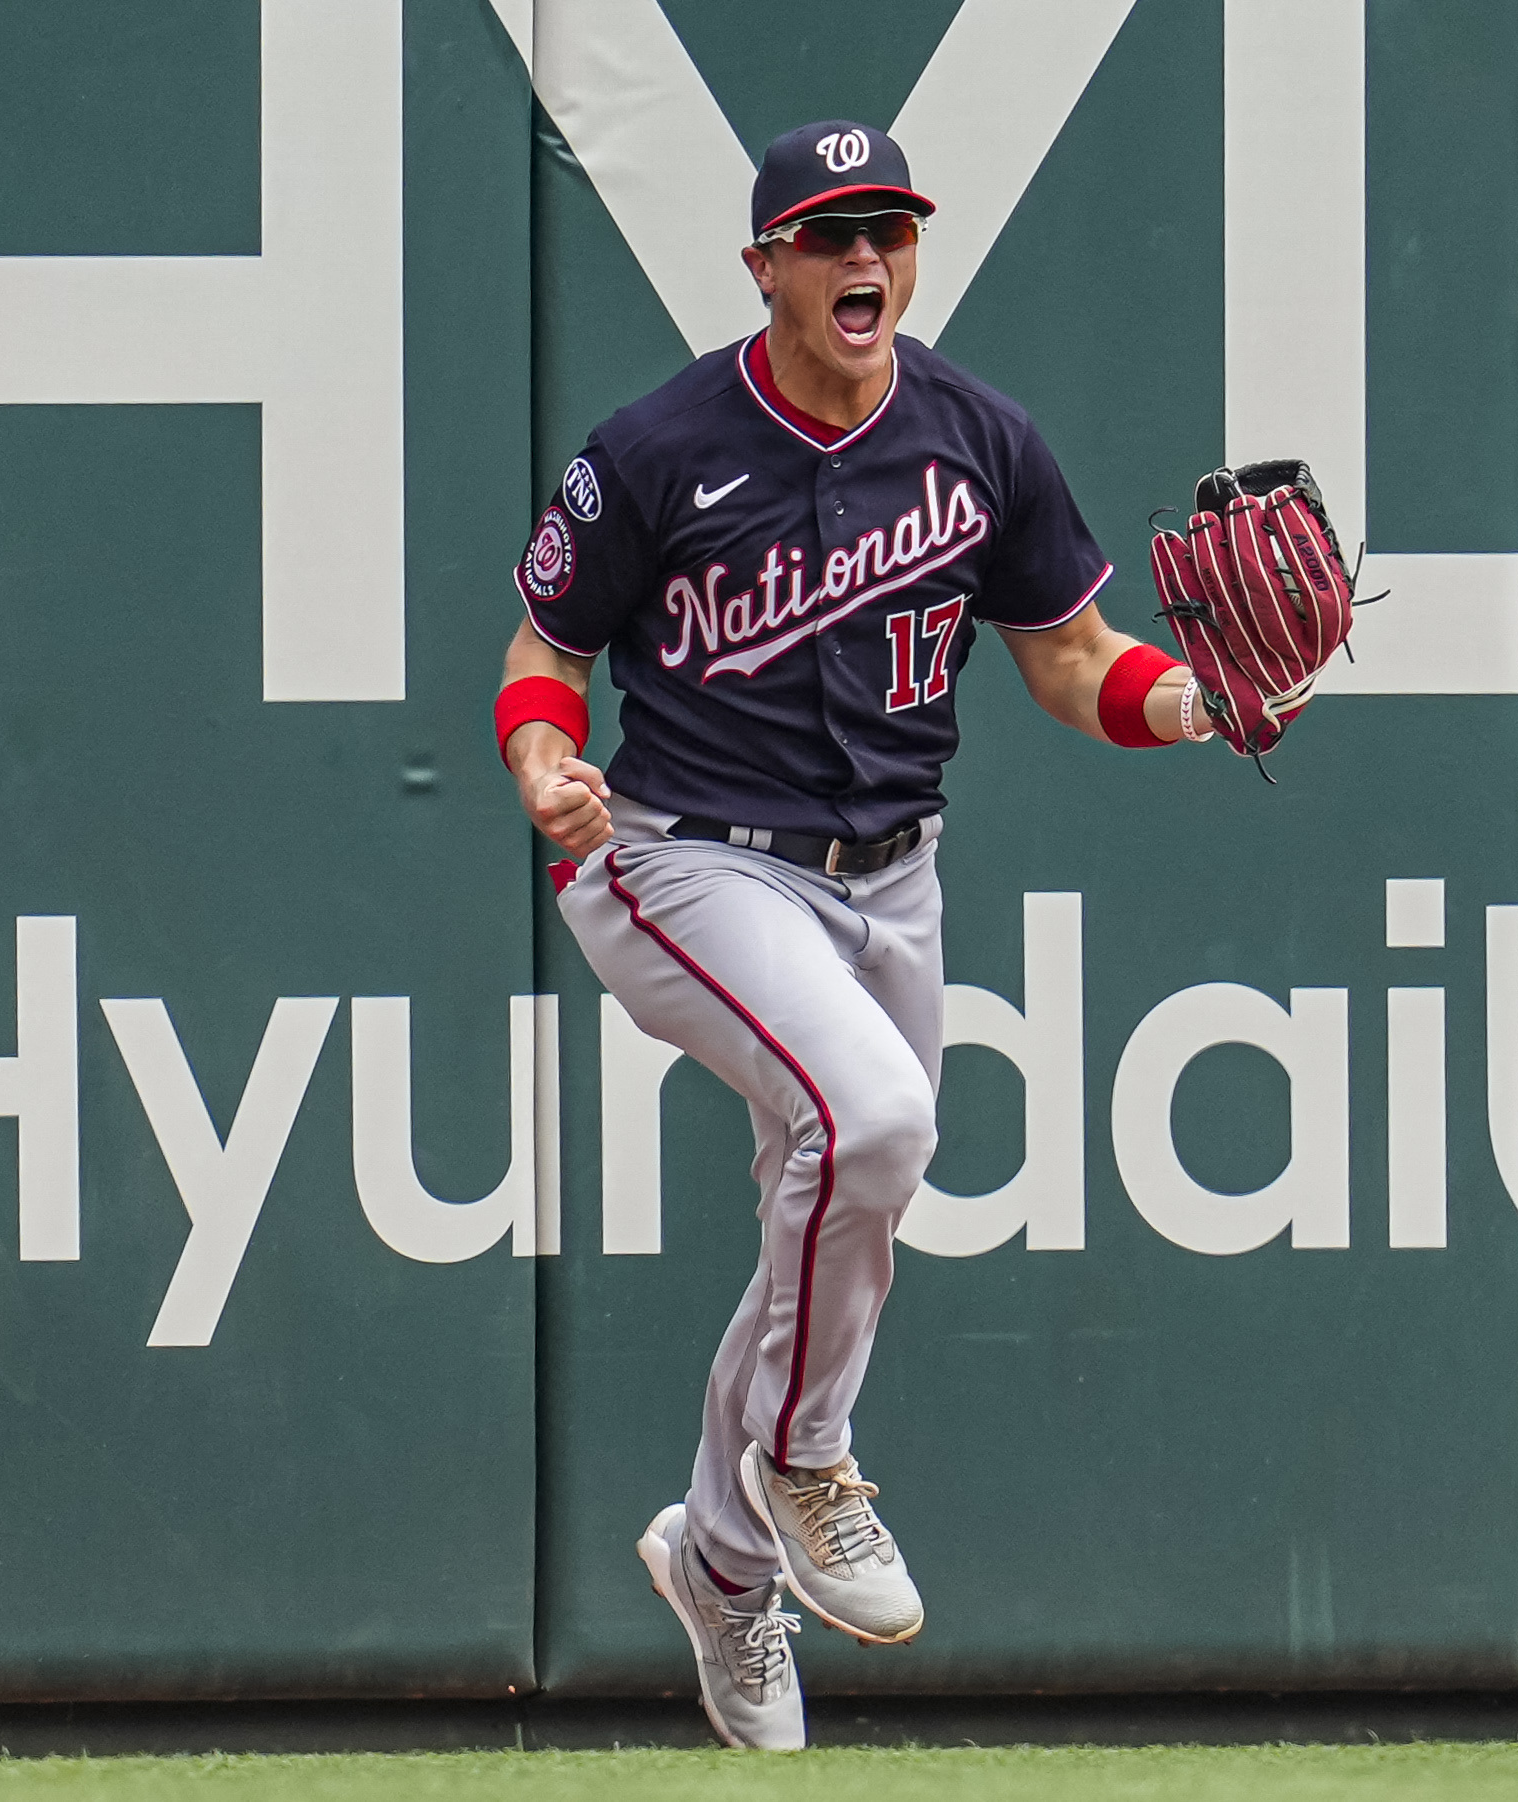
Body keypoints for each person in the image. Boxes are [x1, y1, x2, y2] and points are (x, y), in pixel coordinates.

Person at [493, 120, 1212, 1750]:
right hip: (681, 862)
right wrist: (543, 754)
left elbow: (1074, 656)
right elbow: (546, 653)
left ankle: (725, 1561)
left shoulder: (978, 440)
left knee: (842, 1205)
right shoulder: (660, 446)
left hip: (894, 874)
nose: (863, 258)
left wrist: (1190, 699)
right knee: (872, 1120)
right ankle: (806, 1461)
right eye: (827, 236)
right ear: (766, 269)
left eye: (885, 227)